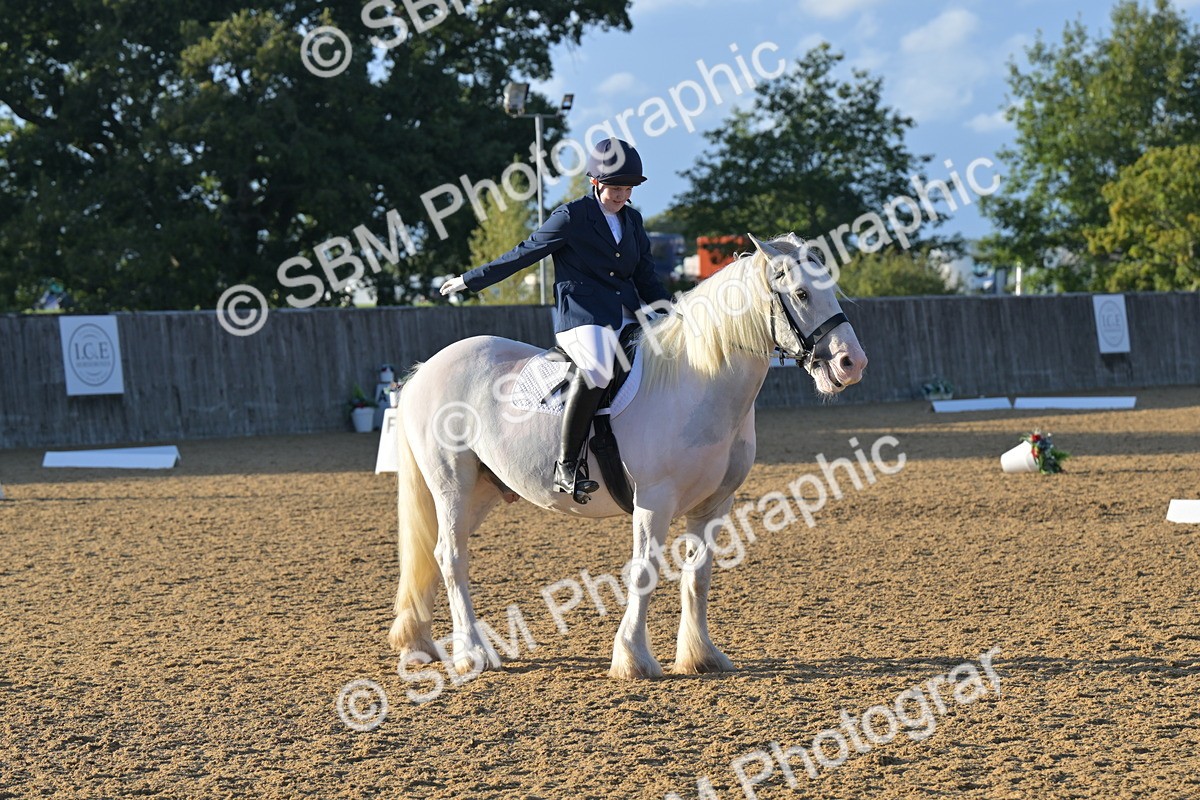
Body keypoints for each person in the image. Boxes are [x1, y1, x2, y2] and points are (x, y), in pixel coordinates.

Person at [439, 138, 672, 503]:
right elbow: (525, 253)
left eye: (627, 189)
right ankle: (566, 466)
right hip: (583, 318)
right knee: (596, 370)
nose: (621, 195)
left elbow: (645, 276)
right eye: (615, 188)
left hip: (627, 313)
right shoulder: (572, 217)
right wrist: (471, 279)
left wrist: (670, 311)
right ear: (596, 182)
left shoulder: (633, 220)